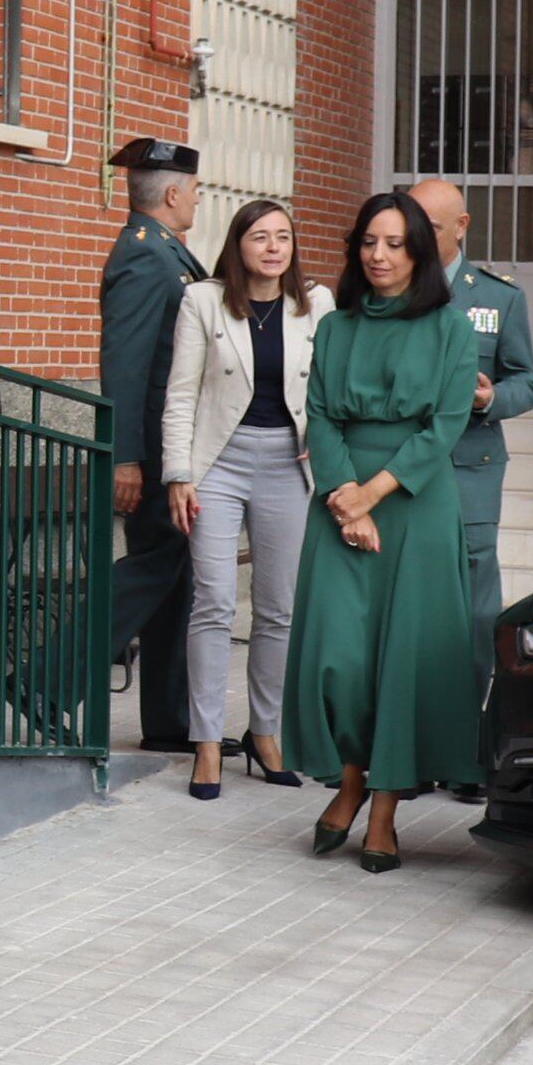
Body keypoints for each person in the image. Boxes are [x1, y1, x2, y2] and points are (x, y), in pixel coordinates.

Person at [285, 190, 487, 870]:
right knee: (337, 659)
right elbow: (319, 413)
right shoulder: (336, 325)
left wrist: (370, 496)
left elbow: (446, 424)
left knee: (402, 660)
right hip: (341, 501)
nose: (379, 254)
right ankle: (348, 778)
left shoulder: (451, 328)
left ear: (419, 251)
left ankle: (381, 808)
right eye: (369, 241)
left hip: (415, 503)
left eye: (395, 243)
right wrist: (346, 499)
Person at [161, 197, 330, 799]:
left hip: (290, 463)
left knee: (279, 607)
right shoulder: (203, 300)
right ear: (239, 244)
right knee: (212, 601)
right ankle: (207, 743)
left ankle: (266, 734)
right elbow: (181, 394)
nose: (273, 247)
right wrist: (178, 473)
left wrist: (327, 445)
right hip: (219, 464)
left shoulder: (317, 303)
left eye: (283, 236)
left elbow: (330, 390)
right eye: (260, 236)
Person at [95, 139, 204, 756]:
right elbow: (126, 367)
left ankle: (169, 721)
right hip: (157, 455)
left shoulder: (167, 254)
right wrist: (126, 457)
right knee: (156, 570)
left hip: (170, 451)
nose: (195, 198)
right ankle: (41, 677)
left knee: (174, 580)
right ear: (170, 194)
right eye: (192, 189)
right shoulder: (146, 259)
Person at [408, 175, 533, 656]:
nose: (415, 239)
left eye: (432, 227)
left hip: (469, 465)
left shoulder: (498, 296)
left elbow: (526, 383)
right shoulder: (387, 290)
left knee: (474, 594)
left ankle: (477, 700)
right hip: (399, 463)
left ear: (461, 226)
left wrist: (489, 400)